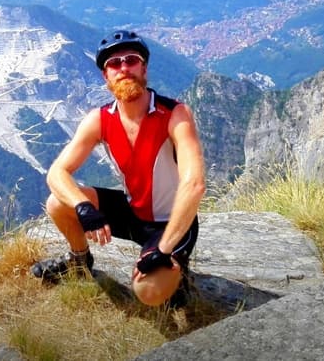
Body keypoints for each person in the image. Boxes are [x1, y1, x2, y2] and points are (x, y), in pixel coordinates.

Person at [30, 30, 206, 306]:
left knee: (149, 294)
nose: (123, 68)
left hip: (170, 222)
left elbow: (194, 184)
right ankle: (79, 261)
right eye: (114, 63)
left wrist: (163, 248)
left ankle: (176, 271)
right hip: (131, 211)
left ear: (143, 68)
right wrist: (83, 207)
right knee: (57, 202)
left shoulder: (174, 114)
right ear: (105, 75)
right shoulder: (99, 120)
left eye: (131, 60)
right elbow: (57, 173)